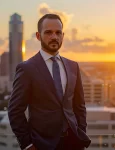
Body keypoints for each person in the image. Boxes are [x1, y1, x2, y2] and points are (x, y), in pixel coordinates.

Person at [8, 14, 91, 150]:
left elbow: (79, 105)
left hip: (74, 143)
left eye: (58, 33)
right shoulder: (27, 68)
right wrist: (27, 145)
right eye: (48, 32)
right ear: (38, 36)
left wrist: (81, 133)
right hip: (42, 144)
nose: (54, 37)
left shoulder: (73, 66)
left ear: (63, 36)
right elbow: (15, 110)